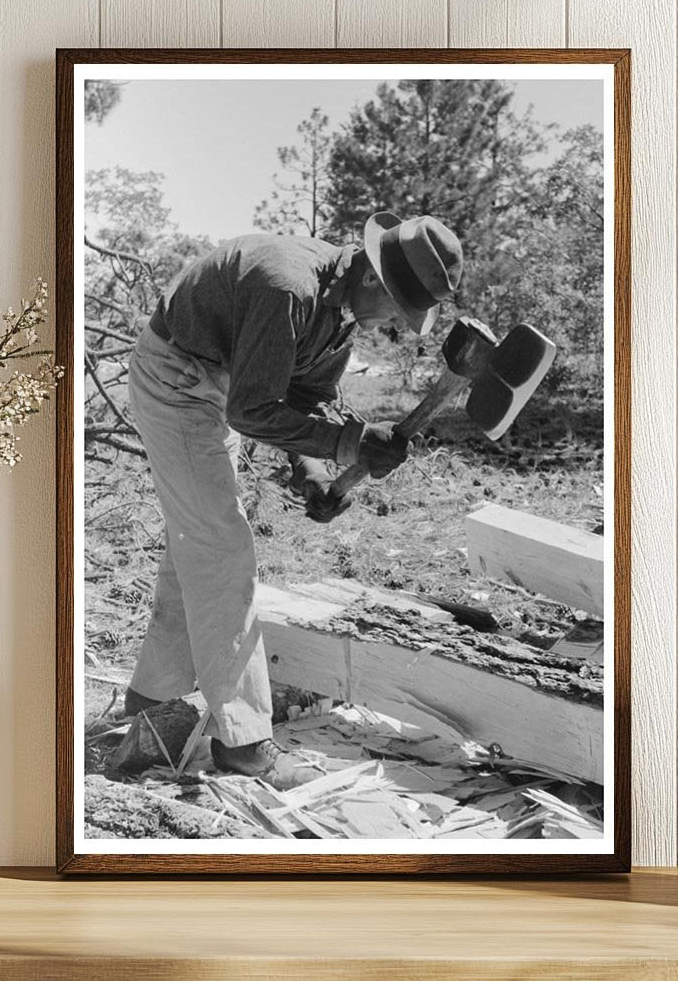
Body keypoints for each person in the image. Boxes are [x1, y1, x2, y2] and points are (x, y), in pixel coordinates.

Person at [125, 211, 463, 789]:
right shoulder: (286, 285)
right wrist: (349, 441)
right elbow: (252, 411)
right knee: (221, 549)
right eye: (398, 313)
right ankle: (244, 741)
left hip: (220, 380)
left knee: (199, 543)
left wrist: (312, 471)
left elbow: (306, 394)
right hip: (176, 377)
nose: (395, 326)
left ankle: (150, 699)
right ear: (376, 282)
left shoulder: (339, 311)